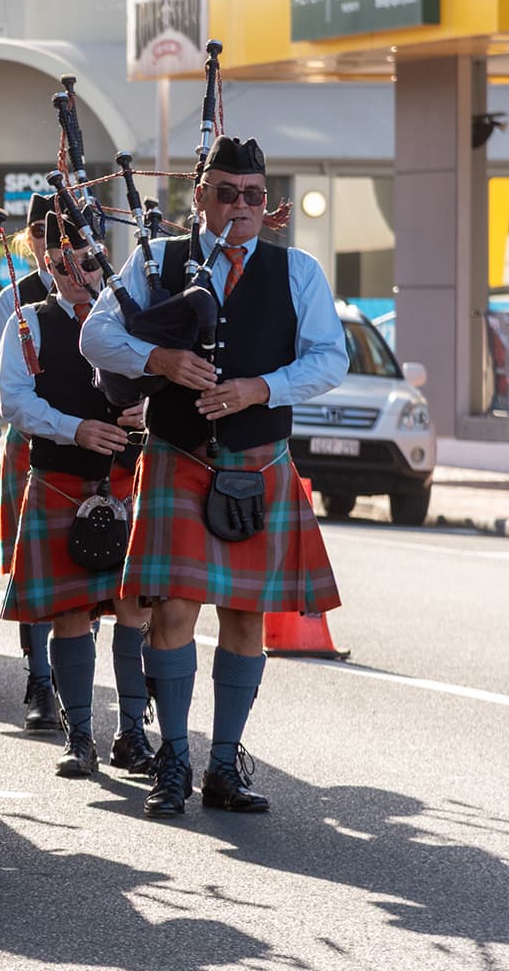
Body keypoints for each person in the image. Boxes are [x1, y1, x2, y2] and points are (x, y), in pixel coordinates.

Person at [82, 136, 347, 818]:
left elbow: (329, 359)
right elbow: (95, 337)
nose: (240, 206)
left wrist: (262, 387)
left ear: (268, 202)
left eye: (253, 195)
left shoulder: (299, 271)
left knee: (246, 617)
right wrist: (161, 360)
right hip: (180, 456)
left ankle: (224, 764)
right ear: (198, 197)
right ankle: (173, 759)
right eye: (226, 192)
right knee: (172, 612)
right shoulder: (156, 259)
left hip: (259, 463)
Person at [0, 239, 156, 780]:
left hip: (127, 478)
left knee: (135, 611)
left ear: (103, 258)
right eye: (63, 264)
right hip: (63, 479)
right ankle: (79, 736)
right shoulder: (30, 323)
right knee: (69, 614)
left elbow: (174, 377)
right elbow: (13, 400)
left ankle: (132, 734)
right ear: (47, 266)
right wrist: (76, 429)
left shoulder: (133, 318)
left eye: (88, 261)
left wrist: (147, 411)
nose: (78, 273)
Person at [0, 194, 69, 733]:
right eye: (42, 236)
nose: (51, 247)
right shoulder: (12, 300)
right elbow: (5, 391)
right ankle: (40, 679)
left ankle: (76, 683)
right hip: (31, 442)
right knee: (34, 567)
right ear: (30, 242)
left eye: (60, 234)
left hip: (99, 444)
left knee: (96, 563)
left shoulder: (102, 292)